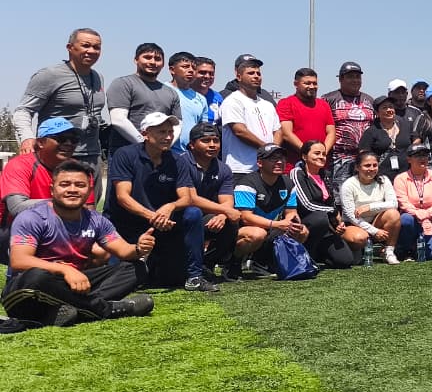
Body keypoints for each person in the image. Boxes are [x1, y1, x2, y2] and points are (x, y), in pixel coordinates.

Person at [2, 160, 154, 329]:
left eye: (80, 185)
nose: (72, 189)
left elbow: (123, 251)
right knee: (37, 276)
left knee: (135, 268)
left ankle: (71, 311)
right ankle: (105, 308)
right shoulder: (33, 217)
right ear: (52, 189)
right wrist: (65, 269)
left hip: (75, 284)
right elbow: (19, 261)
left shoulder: (95, 220)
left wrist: (139, 248)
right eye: (65, 184)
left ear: (89, 190)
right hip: (28, 291)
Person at [106, 111, 202, 289]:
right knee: (118, 280)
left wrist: (170, 206)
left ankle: (194, 276)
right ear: (145, 134)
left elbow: (186, 198)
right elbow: (122, 197)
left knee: (193, 213)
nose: (168, 137)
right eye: (162, 132)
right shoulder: (125, 154)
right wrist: (153, 216)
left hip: (162, 224)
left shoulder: (177, 160)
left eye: (170, 132)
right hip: (127, 224)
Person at [14, 29, 107, 174]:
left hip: (92, 157)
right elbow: (23, 110)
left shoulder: (97, 77)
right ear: (70, 47)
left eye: (96, 47)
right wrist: (27, 138)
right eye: (86, 45)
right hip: (58, 157)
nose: (91, 51)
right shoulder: (50, 75)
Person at [180, 122, 252, 284]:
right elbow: (190, 198)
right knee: (194, 213)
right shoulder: (181, 163)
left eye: (216, 140)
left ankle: (208, 263)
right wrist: (224, 211)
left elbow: (227, 200)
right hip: (181, 217)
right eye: (205, 141)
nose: (212, 145)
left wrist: (223, 214)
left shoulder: (223, 168)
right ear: (192, 145)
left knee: (232, 220)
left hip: (208, 218)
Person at [289, 140, 364, 269]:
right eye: (317, 153)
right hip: (305, 224)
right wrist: (333, 212)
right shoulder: (297, 173)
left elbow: (331, 202)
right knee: (320, 218)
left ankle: (318, 254)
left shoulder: (325, 175)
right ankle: (306, 255)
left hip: (326, 227)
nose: (321, 157)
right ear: (304, 156)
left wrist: (337, 224)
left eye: (324, 154)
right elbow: (306, 204)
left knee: (345, 261)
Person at [104, 43, 182, 154]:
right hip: (126, 154)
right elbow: (118, 120)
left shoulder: (171, 92)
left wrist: (164, 146)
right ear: (136, 60)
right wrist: (144, 144)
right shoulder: (123, 84)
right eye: (147, 57)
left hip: (159, 155)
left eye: (157, 59)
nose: (153, 62)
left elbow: (178, 124)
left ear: (163, 64)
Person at [219, 54, 282, 174]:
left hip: (265, 168)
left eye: (258, 73)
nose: (256, 76)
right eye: (251, 73)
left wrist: (273, 150)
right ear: (239, 76)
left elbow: (278, 130)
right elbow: (239, 131)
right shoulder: (232, 100)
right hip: (240, 168)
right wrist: (266, 149)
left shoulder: (267, 104)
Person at [340, 150, 403, 264]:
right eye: (367, 165)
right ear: (357, 167)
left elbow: (394, 203)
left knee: (393, 214)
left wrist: (370, 207)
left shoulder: (383, 180)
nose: (372, 168)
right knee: (359, 238)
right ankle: (358, 249)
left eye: (375, 165)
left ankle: (388, 251)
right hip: (355, 225)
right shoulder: (348, 185)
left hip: (376, 222)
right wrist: (374, 231)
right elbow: (351, 216)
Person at [392, 144, 432, 259]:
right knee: (405, 219)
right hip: (412, 221)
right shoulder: (400, 178)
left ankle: (417, 247)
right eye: (417, 155)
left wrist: (427, 214)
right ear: (409, 159)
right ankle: (406, 247)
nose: (422, 158)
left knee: (430, 255)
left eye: (425, 155)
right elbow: (403, 203)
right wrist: (418, 214)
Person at [324, 61, 376, 185]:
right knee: (340, 194)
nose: (355, 80)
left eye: (358, 77)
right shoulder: (328, 99)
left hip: (365, 160)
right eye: (350, 77)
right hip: (338, 159)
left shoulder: (370, 100)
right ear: (340, 79)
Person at [277, 67, 336, 166]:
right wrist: (308, 153)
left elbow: (331, 133)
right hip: (295, 165)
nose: (312, 86)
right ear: (296, 84)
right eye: (307, 83)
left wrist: (321, 154)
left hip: (321, 167)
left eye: (315, 83)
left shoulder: (324, 104)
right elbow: (286, 133)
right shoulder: (286, 103)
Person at [359, 95, 414, 179]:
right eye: (385, 108)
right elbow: (363, 154)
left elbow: (415, 143)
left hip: (406, 176)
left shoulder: (405, 126)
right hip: (381, 178)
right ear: (377, 113)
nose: (389, 110)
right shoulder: (371, 131)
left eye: (391, 107)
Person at [167, 51, 208, 150]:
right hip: (165, 152)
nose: (191, 70)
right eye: (185, 67)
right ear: (172, 70)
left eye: (194, 68)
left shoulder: (201, 99)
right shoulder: (161, 91)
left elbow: (202, 130)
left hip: (190, 154)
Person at [193, 57, 222, 122]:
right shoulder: (183, 96)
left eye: (211, 73)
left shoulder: (217, 97)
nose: (207, 76)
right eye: (202, 72)